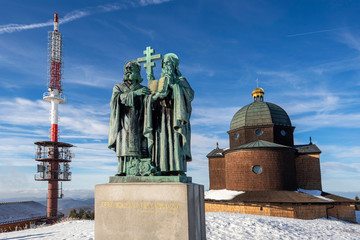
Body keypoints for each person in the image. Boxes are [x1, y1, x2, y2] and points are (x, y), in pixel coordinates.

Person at [144, 53, 194, 175]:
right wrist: (155, 97)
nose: (167, 66)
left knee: (175, 140)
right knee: (161, 141)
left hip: (175, 115)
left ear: (175, 66)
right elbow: (150, 98)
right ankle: (161, 168)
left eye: (169, 63)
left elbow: (190, 95)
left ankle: (177, 168)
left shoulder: (181, 81)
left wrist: (173, 86)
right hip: (160, 116)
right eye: (165, 64)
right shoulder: (159, 82)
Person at [108, 60, 150, 175]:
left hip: (139, 120)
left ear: (137, 73)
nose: (128, 72)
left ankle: (140, 169)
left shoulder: (143, 88)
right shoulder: (119, 87)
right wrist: (135, 94)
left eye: (131, 69)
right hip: (124, 120)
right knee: (124, 145)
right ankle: (123, 170)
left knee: (140, 144)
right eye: (126, 69)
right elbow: (116, 100)